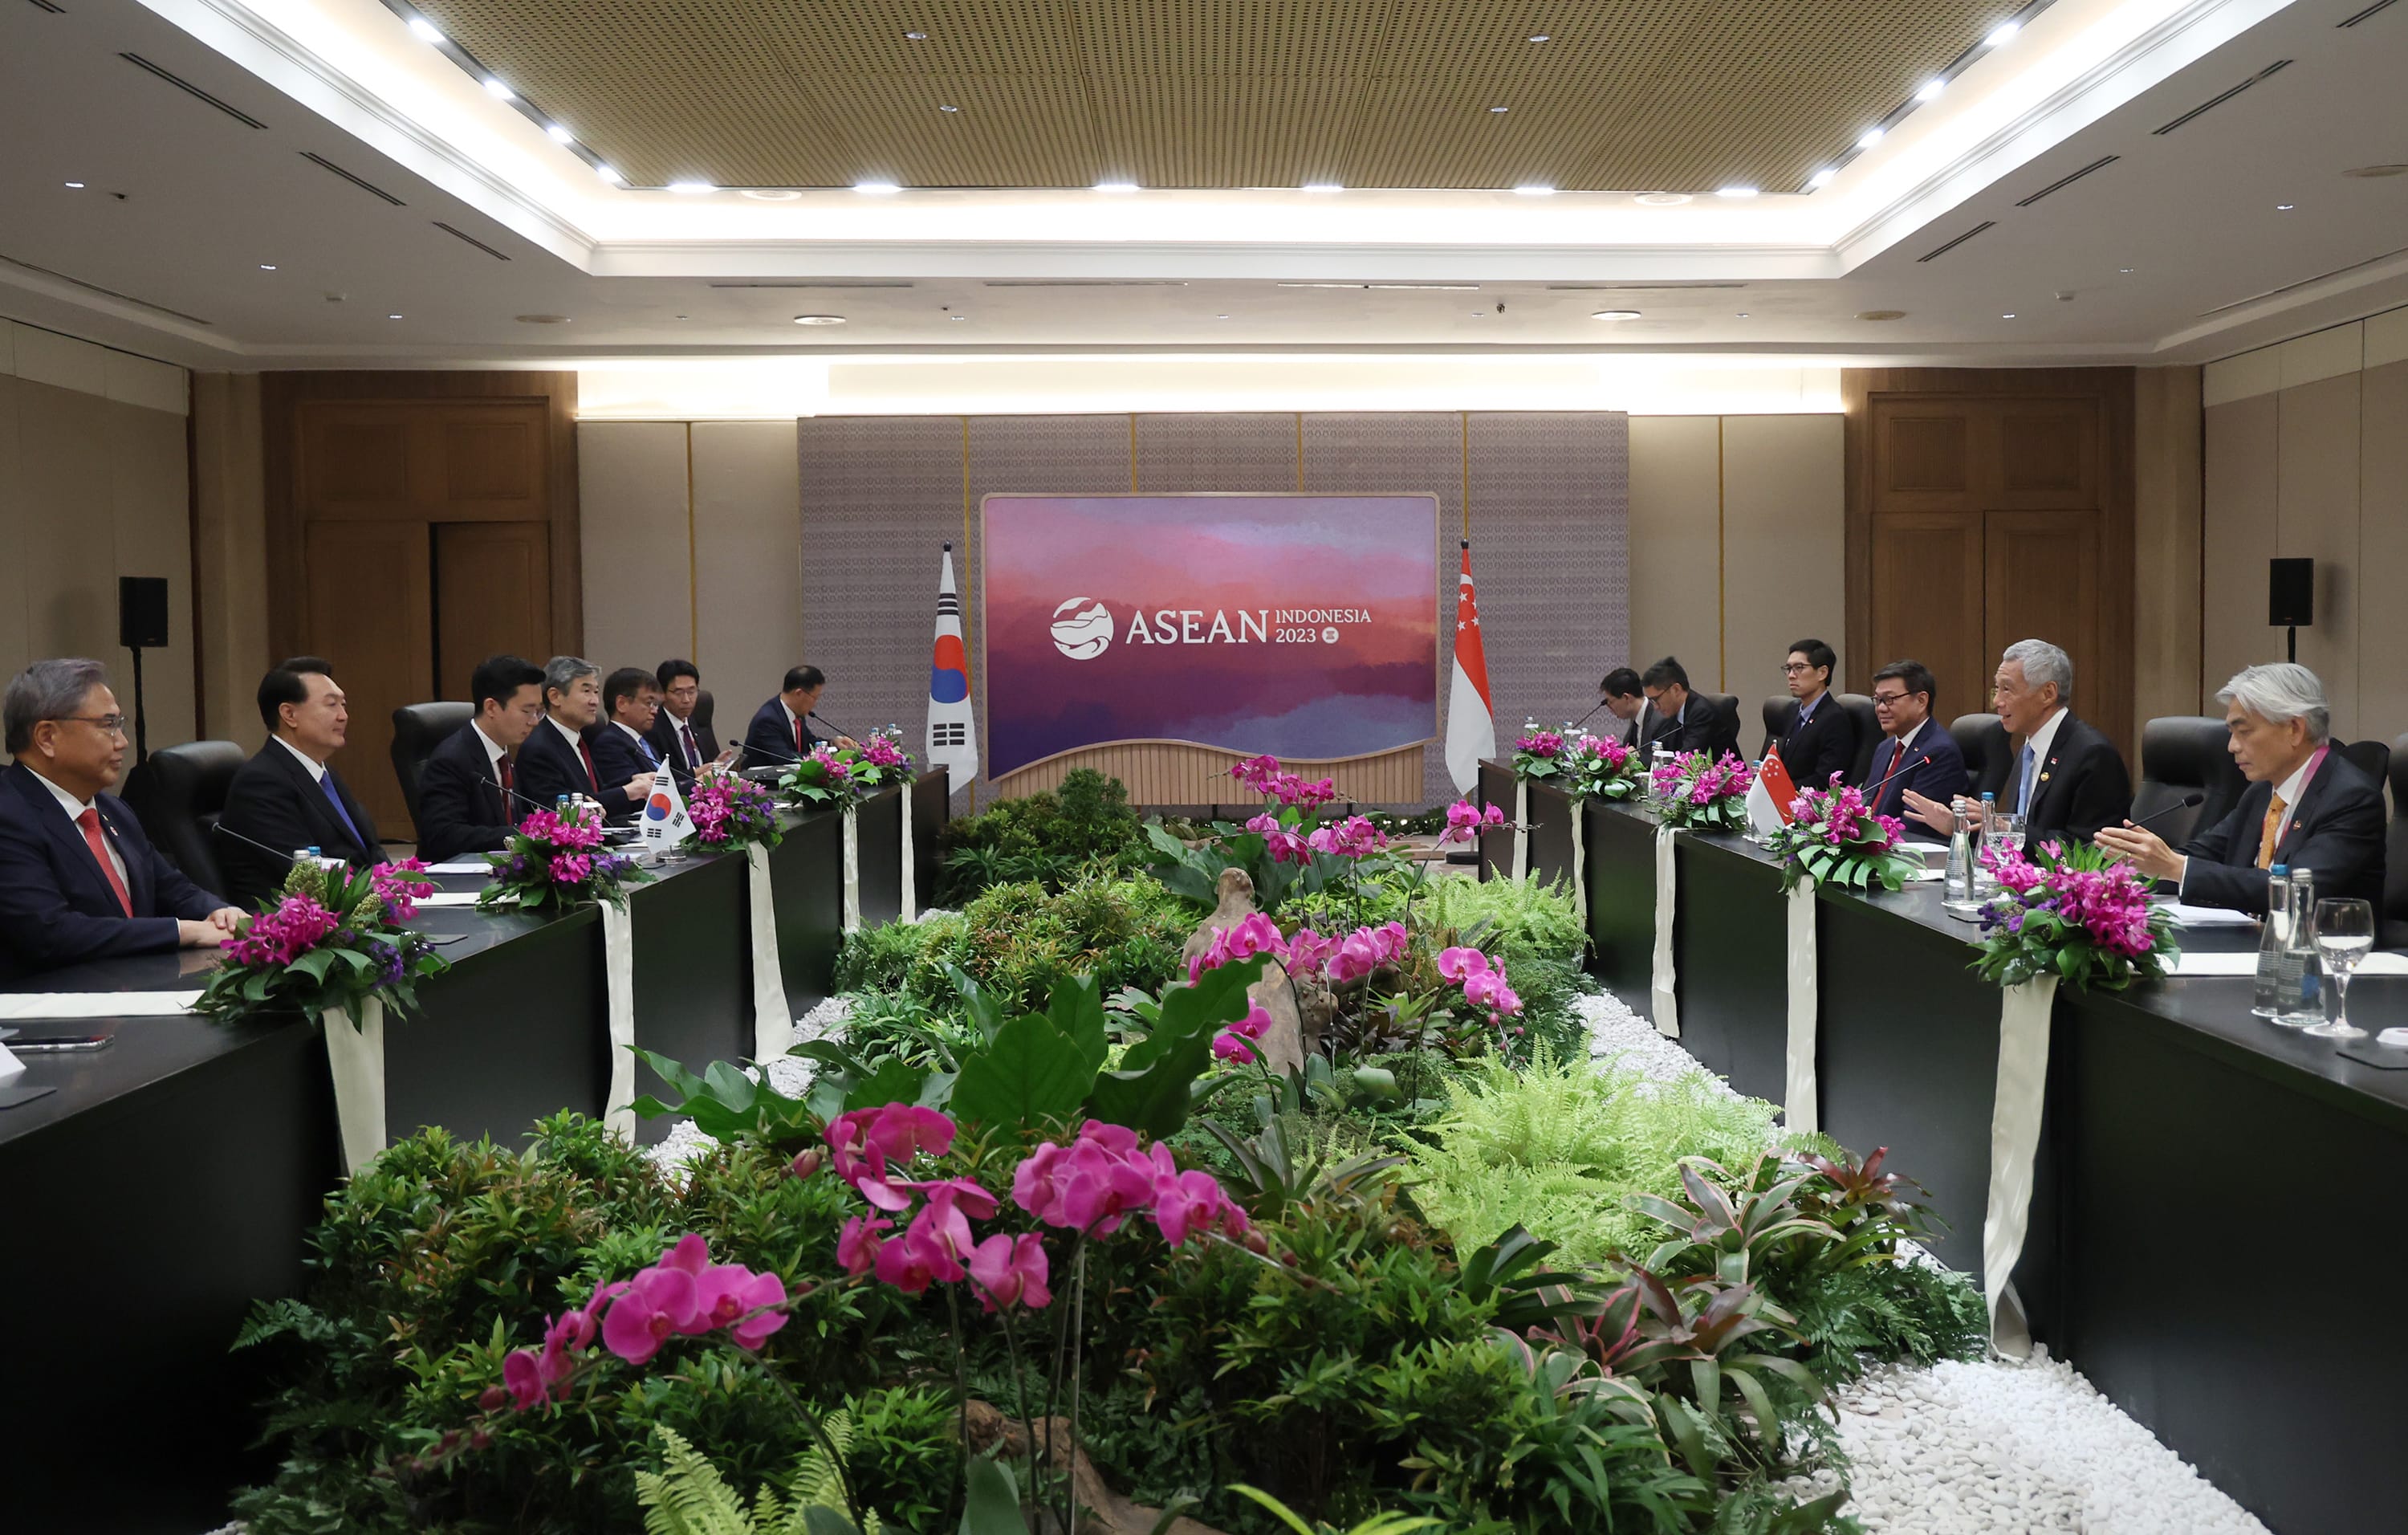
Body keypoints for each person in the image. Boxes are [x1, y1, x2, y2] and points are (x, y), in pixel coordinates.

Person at [0, 658, 244, 979]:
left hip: (135, 995)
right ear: (47, 737)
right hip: (52, 1014)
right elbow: (50, 933)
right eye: (107, 725)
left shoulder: (114, 811)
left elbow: (172, 888)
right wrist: (185, 931)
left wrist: (218, 912)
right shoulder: (9, 814)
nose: (122, 741)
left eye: (120, 725)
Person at [2096, 663, 2384, 914]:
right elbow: (2204, 854)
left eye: (2243, 732)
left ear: (2295, 729)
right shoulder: (2263, 793)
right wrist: (2132, 867)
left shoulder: (2351, 798)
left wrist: (2175, 866)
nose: (2232, 747)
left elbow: (2295, 891)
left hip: (2330, 963)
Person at [1902, 639, 2129, 848]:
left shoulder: (2093, 754)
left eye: (2007, 689)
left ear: (2048, 693)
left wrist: (2005, 827)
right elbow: (2025, 840)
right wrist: (1959, 827)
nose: (1996, 701)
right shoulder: (2027, 750)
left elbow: (2092, 849)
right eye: (1997, 689)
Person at [216, 658, 384, 910]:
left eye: (344, 704)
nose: (343, 716)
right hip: (295, 927)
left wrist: (396, 884)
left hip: (356, 909)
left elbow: (369, 850)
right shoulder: (261, 783)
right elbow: (306, 873)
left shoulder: (324, 773)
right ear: (289, 714)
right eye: (331, 705)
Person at [416, 655, 545, 864]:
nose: (534, 721)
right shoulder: (451, 760)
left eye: (539, 711)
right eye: (527, 711)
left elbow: (511, 816)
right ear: (491, 707)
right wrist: (521, 835)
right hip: (456, 881)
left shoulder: (503, 754)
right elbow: (445, 835)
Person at [518, 656, 653, 822]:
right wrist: (626, 792)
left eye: (596, 692)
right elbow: (558, 810)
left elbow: (594, 795)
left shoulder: (579, 739)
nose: (595, 701)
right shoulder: (539, 748)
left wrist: (633, 783)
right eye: (586, 691)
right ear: (555, 697)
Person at [1862, 660, 1967, 820]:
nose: (1881, 708)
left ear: (1921, 701)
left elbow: (1912, 824)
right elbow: (1867, 805)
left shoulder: (1938, 753)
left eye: (1890, 699)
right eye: (1878, 700)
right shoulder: (1885, 748)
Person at [1770, 638, 1858, 788]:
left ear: (1822, 673)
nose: (1791, 675)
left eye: (1799, 667)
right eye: (1789, 668)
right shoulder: (1792, 711)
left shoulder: (1834, 719)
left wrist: (1781, 789)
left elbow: (1825, 781)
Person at [743, 665, 856, 766]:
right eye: (815, 698)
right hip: (767, 786)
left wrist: (833, 743)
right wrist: (825, 760)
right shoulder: (768, 720)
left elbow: (809, 743)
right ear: (799, 694)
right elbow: (784, 758)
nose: (815, 704)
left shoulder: (796, 714)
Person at [1634, 657, 1739, 759]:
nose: (1655, 707)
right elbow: (1660, 752)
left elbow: (1687, 758)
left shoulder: (1702, 712)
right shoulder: (1672, 714)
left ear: (1676, 689)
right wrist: (1636, 756)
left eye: (1656, 699)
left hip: (1724, 775)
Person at [648, 659, 731, 785]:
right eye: (678, 693)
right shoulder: (652, 728)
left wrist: (716, 765)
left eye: (692, 691)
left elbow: (706, 764)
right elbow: (660, 778)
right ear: (662, 694)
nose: (687, 699)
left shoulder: (695, 721)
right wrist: (695, 774)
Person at [590, 666, 665, 790]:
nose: (655, 711)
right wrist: (694, 785)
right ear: (622, 704)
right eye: (649, 703)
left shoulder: (644, 742)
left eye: (656, 705)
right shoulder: (609, 745)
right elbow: (637, 796)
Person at [1597, 667, 1645, 746]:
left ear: (1626, 698)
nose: (1610, 709)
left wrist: (1637, 754)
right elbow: (1626, 749)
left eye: (1611, 702)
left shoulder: (1658, 722)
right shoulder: (1637, 717)